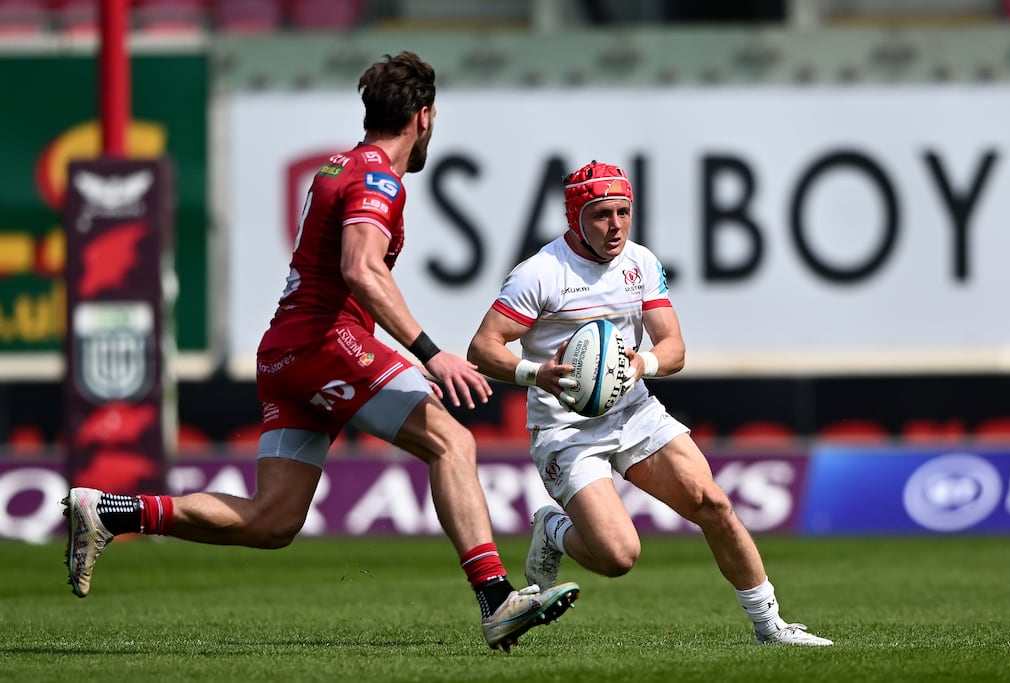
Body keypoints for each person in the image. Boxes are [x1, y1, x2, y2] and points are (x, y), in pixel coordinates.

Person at [63, 51, 579, 652]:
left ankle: (112, 510)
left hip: (286, 354)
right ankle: (497, 600)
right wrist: (431, 352)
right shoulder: (379, 179)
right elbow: (360, 269)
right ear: (424, 116)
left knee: (273, 520)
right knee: (452, 441)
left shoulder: (339, 165)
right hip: (326, 342)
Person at [466, 160, 832, 646]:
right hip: (565, 429)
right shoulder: (540, 274)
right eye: (601, 214)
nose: (615, 225)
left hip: (633, 410)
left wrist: (643, 365)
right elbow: (482, 347)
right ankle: (554, 530)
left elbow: (674, 348)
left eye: (623, 212)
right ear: (575, 217)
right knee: (619, 557)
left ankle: (771, 627)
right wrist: (538, 375)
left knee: (714, 504)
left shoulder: (639, 263)